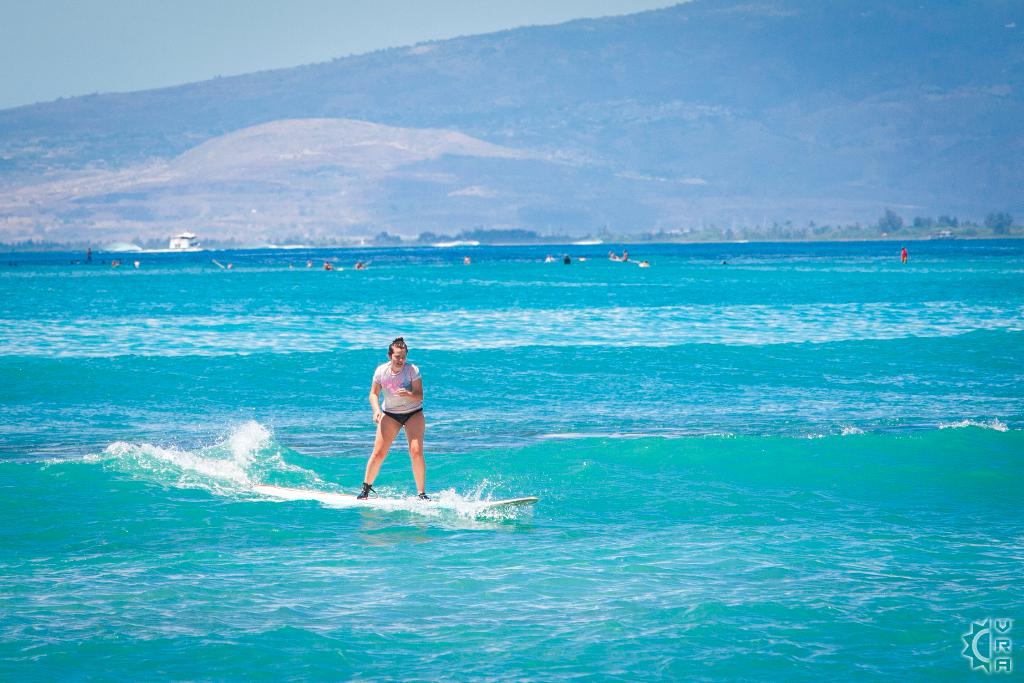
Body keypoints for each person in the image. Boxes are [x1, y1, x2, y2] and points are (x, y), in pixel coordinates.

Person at [357, 337, 428, 500]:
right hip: (390, 414)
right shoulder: (381, 371)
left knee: (416, 451)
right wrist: (376, 411)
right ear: (390, 356)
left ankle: (421, 493)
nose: (401, 360)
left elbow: (420, 396)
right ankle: (366, 489)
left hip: (413, 413)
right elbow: (373, 394)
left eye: (404, 357)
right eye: (397, 356)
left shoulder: (412, 370)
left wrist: (409, 394)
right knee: (379, 453)